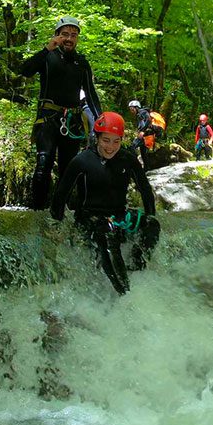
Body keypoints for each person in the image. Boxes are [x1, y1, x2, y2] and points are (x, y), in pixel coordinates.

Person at [50, 111, 160, 295]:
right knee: (107, 235)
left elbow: (145, 188)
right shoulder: (82, 161)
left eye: (116, 141)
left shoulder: (127, 159)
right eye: (106, 140)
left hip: (117, 215)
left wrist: (149, 214)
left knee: (152, 226)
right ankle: (125, 294)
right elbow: (61, 194)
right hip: (89, 218)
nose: (111, 147)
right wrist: (57, 224)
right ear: (97, 138)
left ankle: (135, 266)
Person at [21, 17, 102, 209]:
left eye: (73, 35)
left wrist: (101, 120)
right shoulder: (47, 57)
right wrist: (46, 49)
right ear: (57, 36)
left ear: (77, 39)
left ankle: (59, 212)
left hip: (72, 122)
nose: (69, 39)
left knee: (68, 170)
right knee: (43, 163)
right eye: (65, 34)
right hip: (48, 119)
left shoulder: (82, 63)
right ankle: (37, 211)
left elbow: (90, 93)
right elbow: (25, 71)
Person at [128, 99, 166, 168]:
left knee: (132, 147)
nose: (131, 111)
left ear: (136, 107)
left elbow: (148, 121)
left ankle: (132, 166)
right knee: (143, 152)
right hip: (148, 134)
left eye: (132, 109)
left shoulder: (142, 112)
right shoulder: (141, 113)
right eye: (130, 109)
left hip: (147, 134)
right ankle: (146, 168)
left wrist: (142, 131)